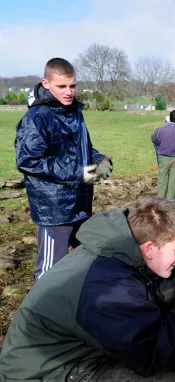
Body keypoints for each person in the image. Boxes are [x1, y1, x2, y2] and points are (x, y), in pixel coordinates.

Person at [0, 197, 175, 381]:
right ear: (149, 248)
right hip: (42, 374)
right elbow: (154, 353)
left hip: (64, 356)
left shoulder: (114, 254)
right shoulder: (106, 286)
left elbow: (142, 296)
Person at [14, 58, 112, 280]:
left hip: (80, 202)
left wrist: (100, 160)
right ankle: (43, 313)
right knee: (50, 272)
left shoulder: (74, 110)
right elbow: (29, 161)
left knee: (85, 261)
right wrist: (80, 171)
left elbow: (84, 148)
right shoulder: (36, 118)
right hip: (54, 210)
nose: (69, 92)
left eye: (72, 85)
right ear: (45, 83)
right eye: (61, 86)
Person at [151, 110, 175, 202]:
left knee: (162, 178)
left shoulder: (160, 129)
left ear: (170, 118)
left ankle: (160, 201)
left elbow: (154, 139)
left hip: (163, 156)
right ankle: (171, 202)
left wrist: (161, 144)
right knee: (173, 180)